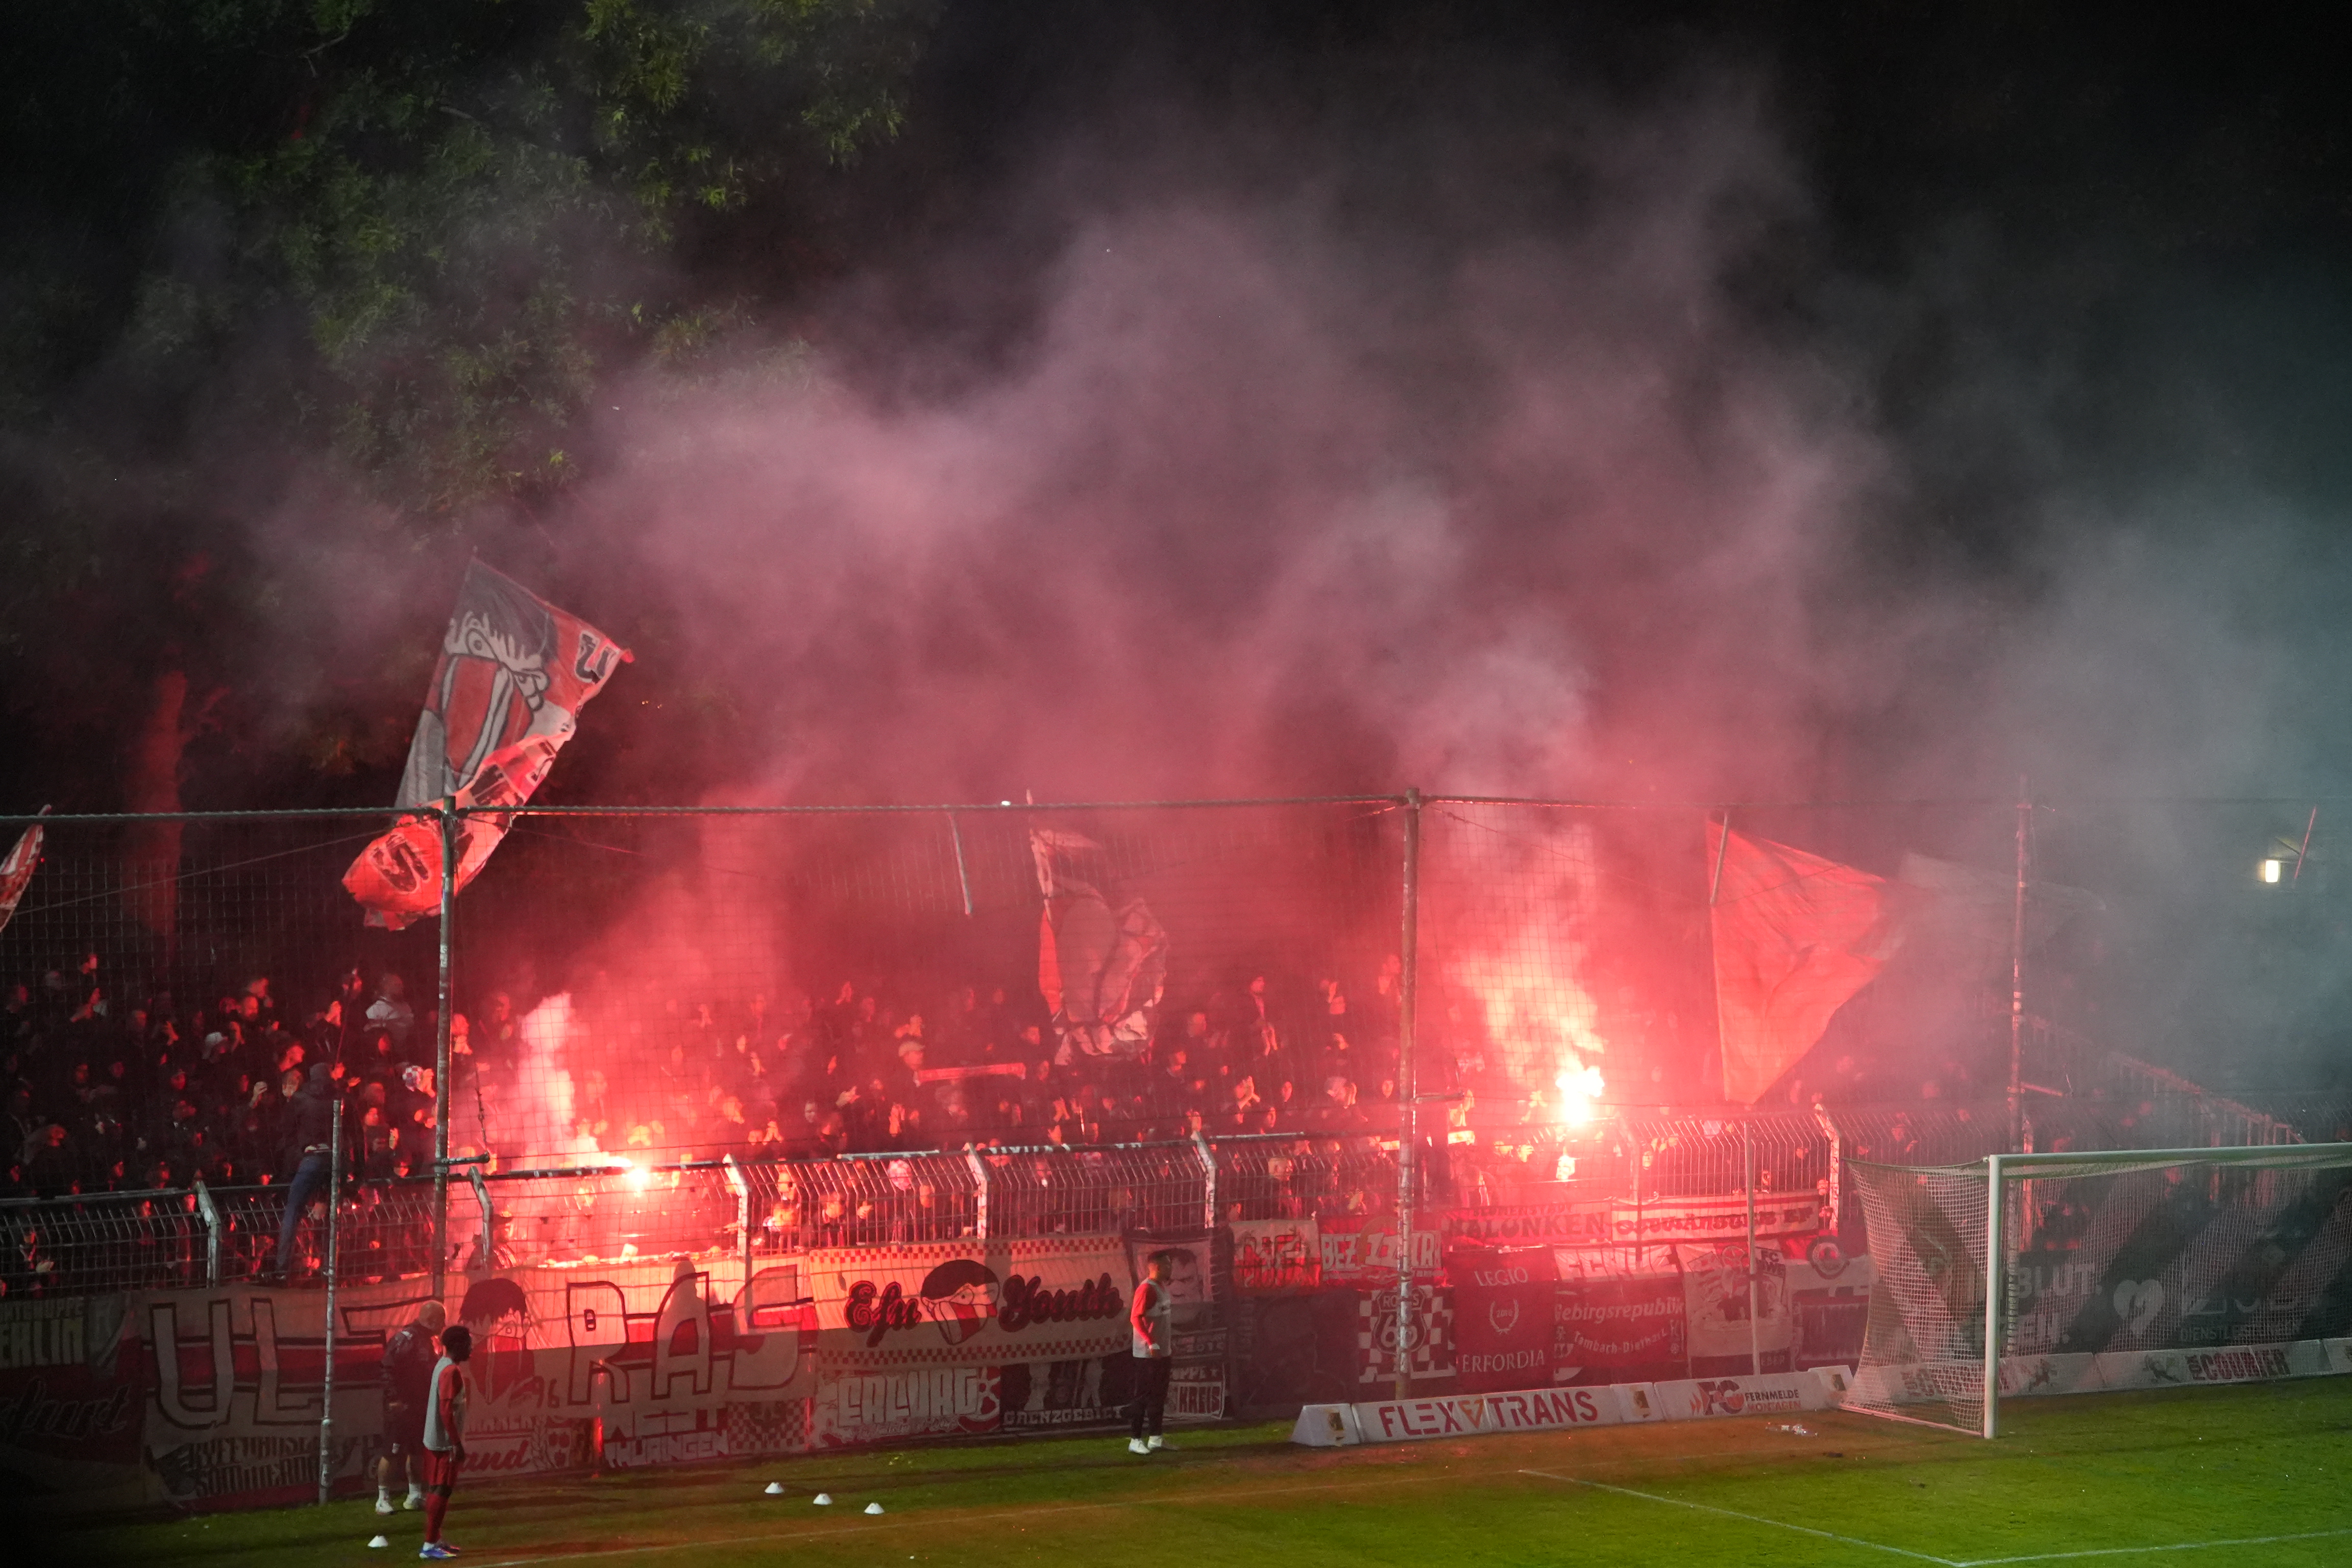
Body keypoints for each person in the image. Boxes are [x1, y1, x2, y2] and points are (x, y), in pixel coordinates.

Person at [377, 1301, 447, 1514]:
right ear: (431, 1320)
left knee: (417, 1450)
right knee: (392, 1451)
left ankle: (415, 1495)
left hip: (419, 1405)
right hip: (402, 1406)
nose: (443, 1325)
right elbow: (387, 1369)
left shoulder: (427, 1341)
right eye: (441, 1321)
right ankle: (383, 1499)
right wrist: (394, 1399)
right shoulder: (406, 1339)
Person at [272, 1064, 339, 1280]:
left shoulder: (302, 1100)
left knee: (293, 1211)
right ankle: (330, 1268)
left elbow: (287, 1134)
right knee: (329, 1214)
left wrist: (301, 1156)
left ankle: (282, 1269)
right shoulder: (338, 1097)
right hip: (333, 1159)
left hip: (311, 1160)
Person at [419, 1323, 471, 1559]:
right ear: (458, 1346)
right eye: (468, 1343)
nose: (471, 1348)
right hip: (443, 1442)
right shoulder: (451, 1372)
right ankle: (429, 1545)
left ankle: (435, 1539)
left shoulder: (442, 1366)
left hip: (435, 1439)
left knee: (437, 1489)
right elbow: (446, 1411)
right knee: (442, 1489)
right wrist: (456, 1444)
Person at [1126, 1251, 1174, 1455]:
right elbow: (1135, 1318)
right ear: (1157, 1267)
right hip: (1147, 1355)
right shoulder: (1146, 1289)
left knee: (1158, 1396)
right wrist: (1151, 1343)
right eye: (1168, 1265)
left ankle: (1156, 1438)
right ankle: (1135, 1440)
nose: (1171, 1269)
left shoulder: (1162, 1287)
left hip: (1163, 1353)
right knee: (1143, 1397)